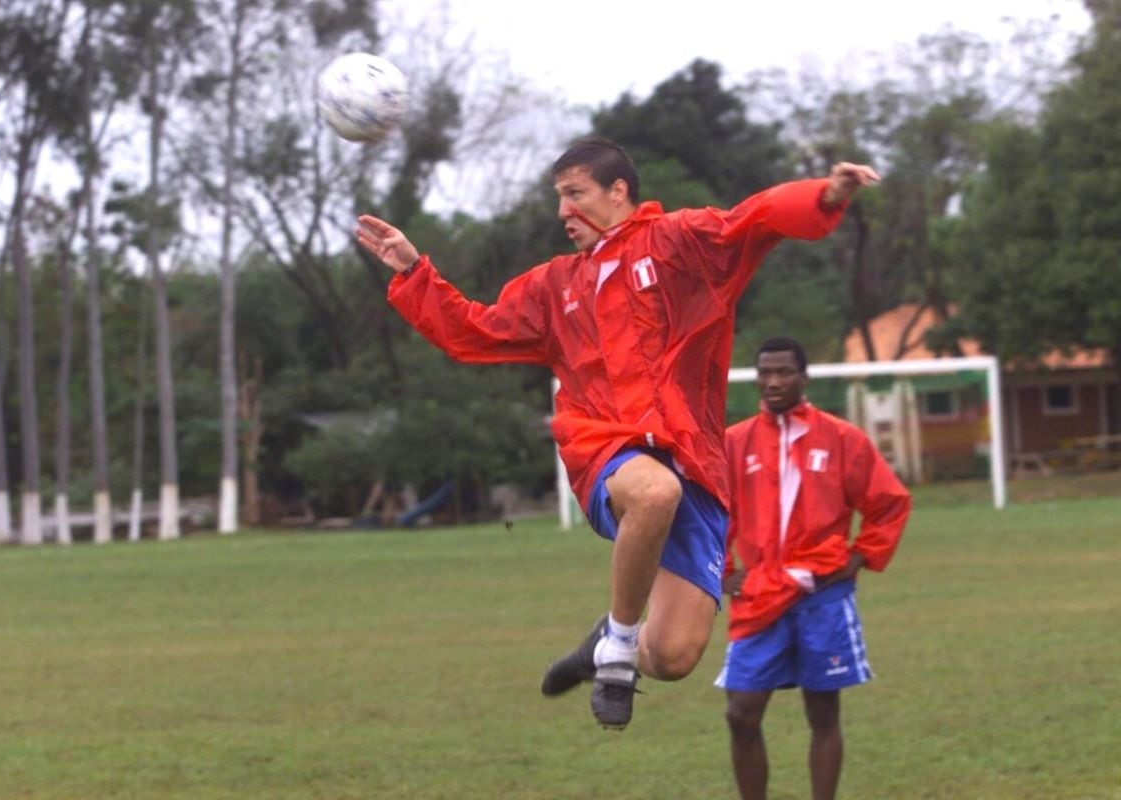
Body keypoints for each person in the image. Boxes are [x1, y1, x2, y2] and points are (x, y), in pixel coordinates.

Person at [355, 137, 880, 730]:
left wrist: (825, 194)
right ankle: (620, 651)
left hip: (695, 466)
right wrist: (411, 270)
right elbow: (473, 331)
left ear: (619, 191)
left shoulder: (682, 243)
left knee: (677, 655)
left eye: (574, 194)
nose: (562, 213)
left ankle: (610, 637)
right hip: (603, 451)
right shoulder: (555, 286)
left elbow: (753, 219)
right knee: (654, 493)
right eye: (558, 198)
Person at [717, 336, 911, 799]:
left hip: (821, 593)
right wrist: (721, 572)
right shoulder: (734, 442)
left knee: (822, 712)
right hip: (761, 591)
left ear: (803, 377)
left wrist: (861, 554)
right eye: (765, 372)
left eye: (784, 372)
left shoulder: (842, 439)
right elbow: (711, 512)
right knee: (740, 713)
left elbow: (889, 502)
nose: (773, 381)